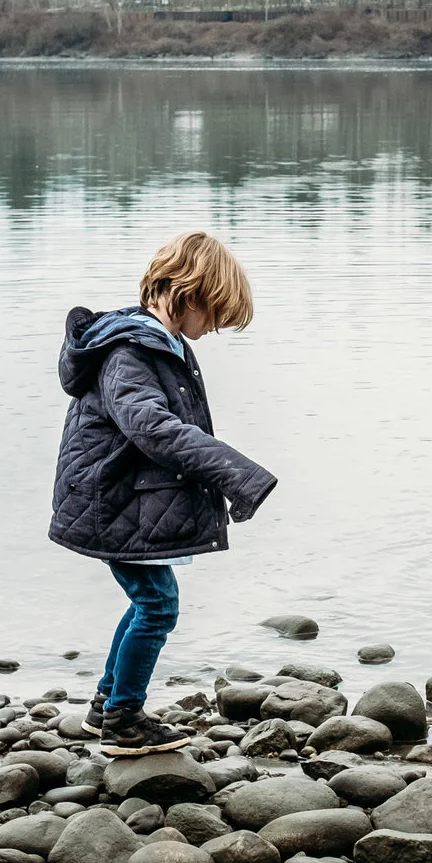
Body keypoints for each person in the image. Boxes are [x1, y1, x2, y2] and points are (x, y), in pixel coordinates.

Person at [51, 229, 277, 756]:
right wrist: (234, 472)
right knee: (157, 606)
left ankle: (106, 702)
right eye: (215, 313)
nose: (215, 327)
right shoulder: (129, 349)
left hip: (124, 497)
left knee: (148, 600)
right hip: (110, 499)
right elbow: (151, 426)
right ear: (187, 292)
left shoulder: (160, 344)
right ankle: (123, 721)